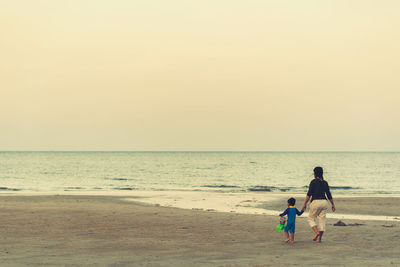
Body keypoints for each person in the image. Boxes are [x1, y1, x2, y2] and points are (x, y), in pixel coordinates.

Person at [301, 166, 336, 243]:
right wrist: (333, 204)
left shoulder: (313, 182)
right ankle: (319, 239)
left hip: (315, 202)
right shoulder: (325, 182)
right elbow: (328, 194)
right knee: (322, 221)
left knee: (310, 218)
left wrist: (304, 204)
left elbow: (309, 194)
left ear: (315, 174)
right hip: (324, 202)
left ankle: (316, 232)